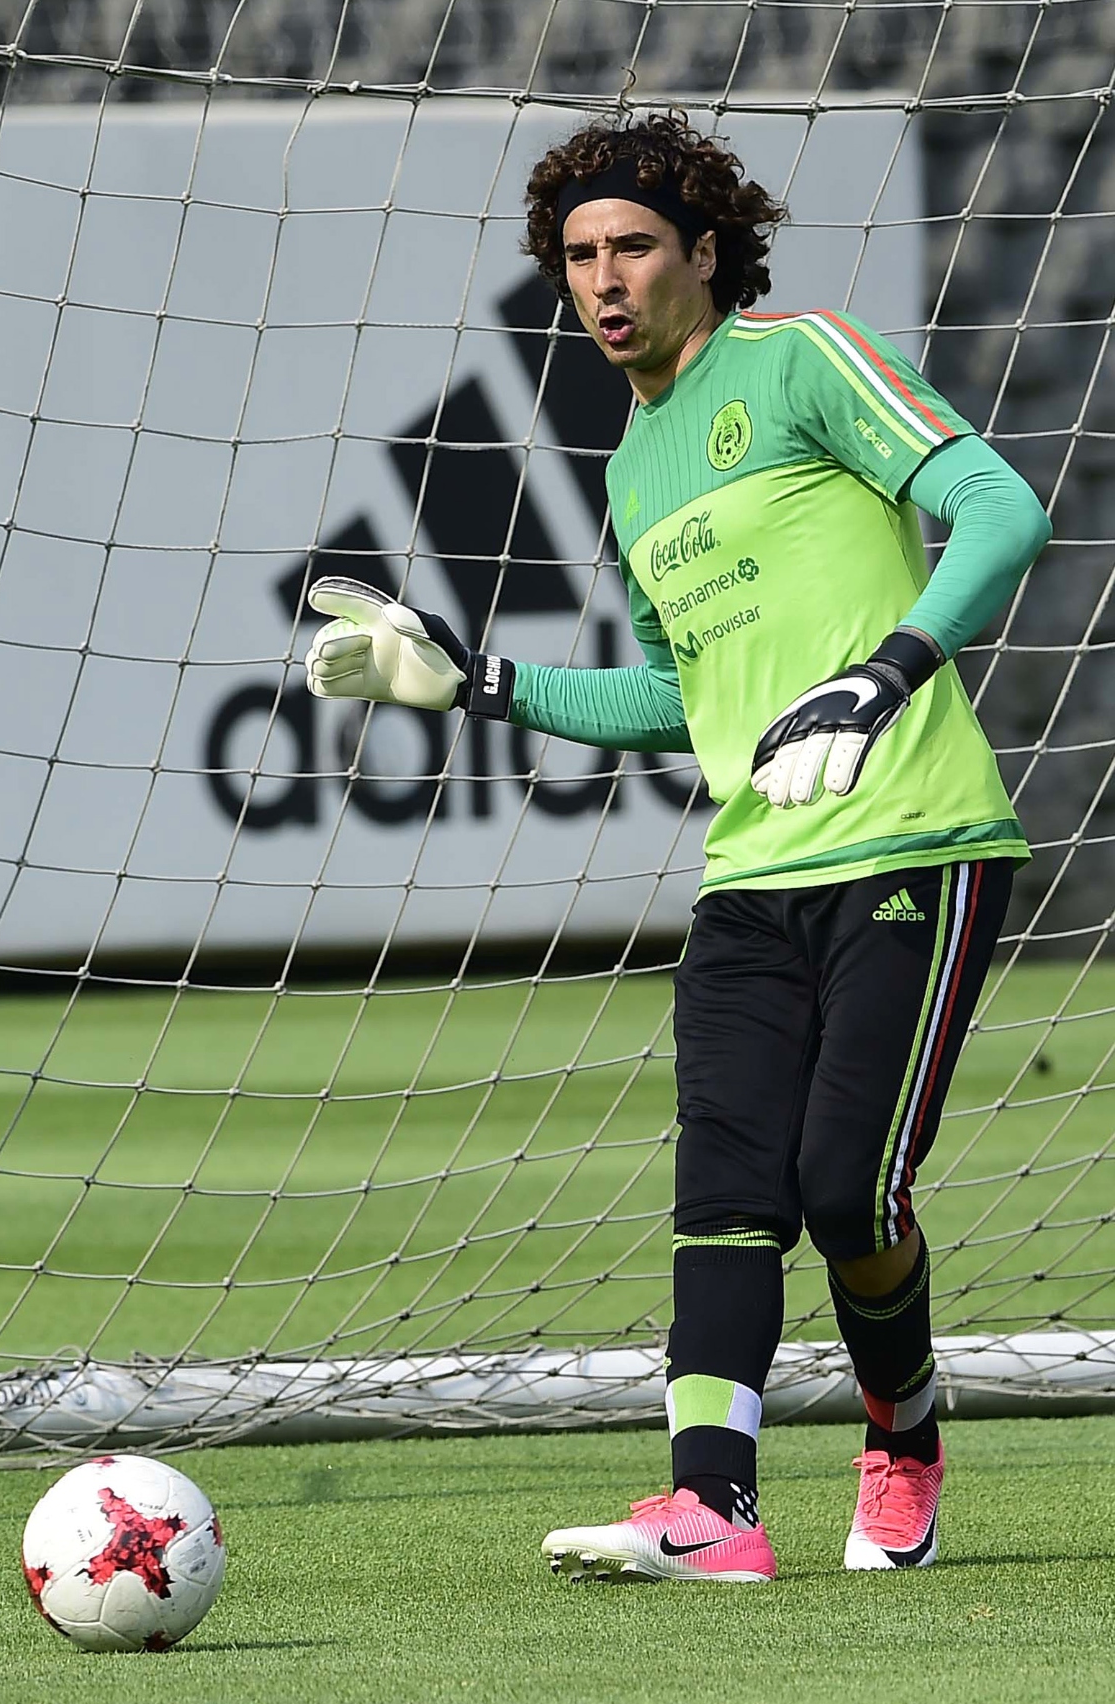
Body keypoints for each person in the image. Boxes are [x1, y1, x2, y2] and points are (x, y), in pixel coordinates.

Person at [302, 112, 1050, 1583]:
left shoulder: (799, 359)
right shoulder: (636, 466)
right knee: (725, 1186)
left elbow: (999, 506)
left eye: (634, 244)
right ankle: (711, 1511)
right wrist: (485, 686)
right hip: (749, 875)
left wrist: (885, 671)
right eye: (579, 255)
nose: (605, 278)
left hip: (918, 838)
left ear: (706, 251)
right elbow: (676, 690)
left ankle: (903, 1427)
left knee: (850, 1188)